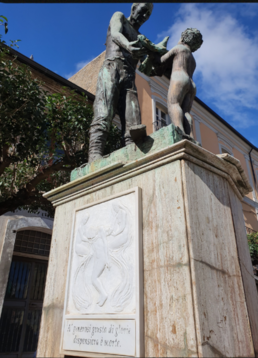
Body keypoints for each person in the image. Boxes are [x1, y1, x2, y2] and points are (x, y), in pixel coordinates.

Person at [88, 3, 154, 163]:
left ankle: (131, 153)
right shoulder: (120, 17)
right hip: (112, 68)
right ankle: (94, 154)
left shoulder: (141, 38)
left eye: (148, 15)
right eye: (143, 11)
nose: (145, 16)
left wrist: (156, 55)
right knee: (104, 112)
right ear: (134, 8)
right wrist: (130, 46)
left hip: (129, 77)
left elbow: (149, 67)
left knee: (132, 121)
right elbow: (116, 34)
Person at [155, 28, 203, 139]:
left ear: (184, 37)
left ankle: (180, 132)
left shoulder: (179, 48)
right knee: (186, 111)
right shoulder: (193, 59)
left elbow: (162, 61)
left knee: (173, 104)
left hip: (179, 78)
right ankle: (190, 135)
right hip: (191, 84)